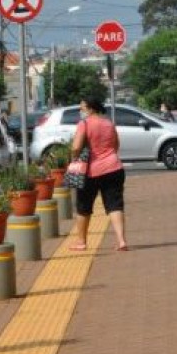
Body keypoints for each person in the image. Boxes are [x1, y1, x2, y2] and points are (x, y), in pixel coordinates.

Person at [70, 96, 128, 252]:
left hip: (91, 172)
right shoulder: (109, 123)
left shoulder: (84, 124)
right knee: (115, 205)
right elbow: (116, 145)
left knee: (84, 206)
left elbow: (76, 147)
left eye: (82, 108)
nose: (80, 111)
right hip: (114, 168)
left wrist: (74, 157)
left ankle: (81, 242)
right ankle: (121, 240)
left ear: (90, 108)